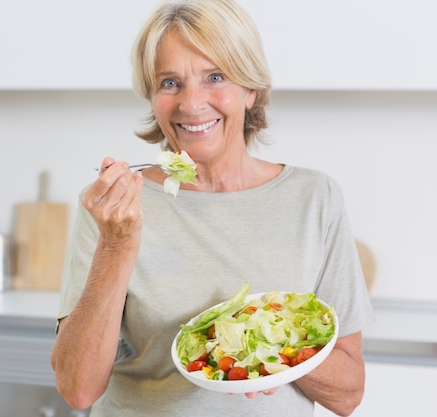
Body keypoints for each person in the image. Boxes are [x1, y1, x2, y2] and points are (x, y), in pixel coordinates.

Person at [51, 0, 374, 416]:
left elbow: (348, 394)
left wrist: (265, 347)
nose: (191, 103)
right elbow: (77, 389)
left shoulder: (315, 198)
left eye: (215, 77)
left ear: (251, 89)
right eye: (170, 83)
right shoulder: (114, 208)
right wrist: (116, 246)